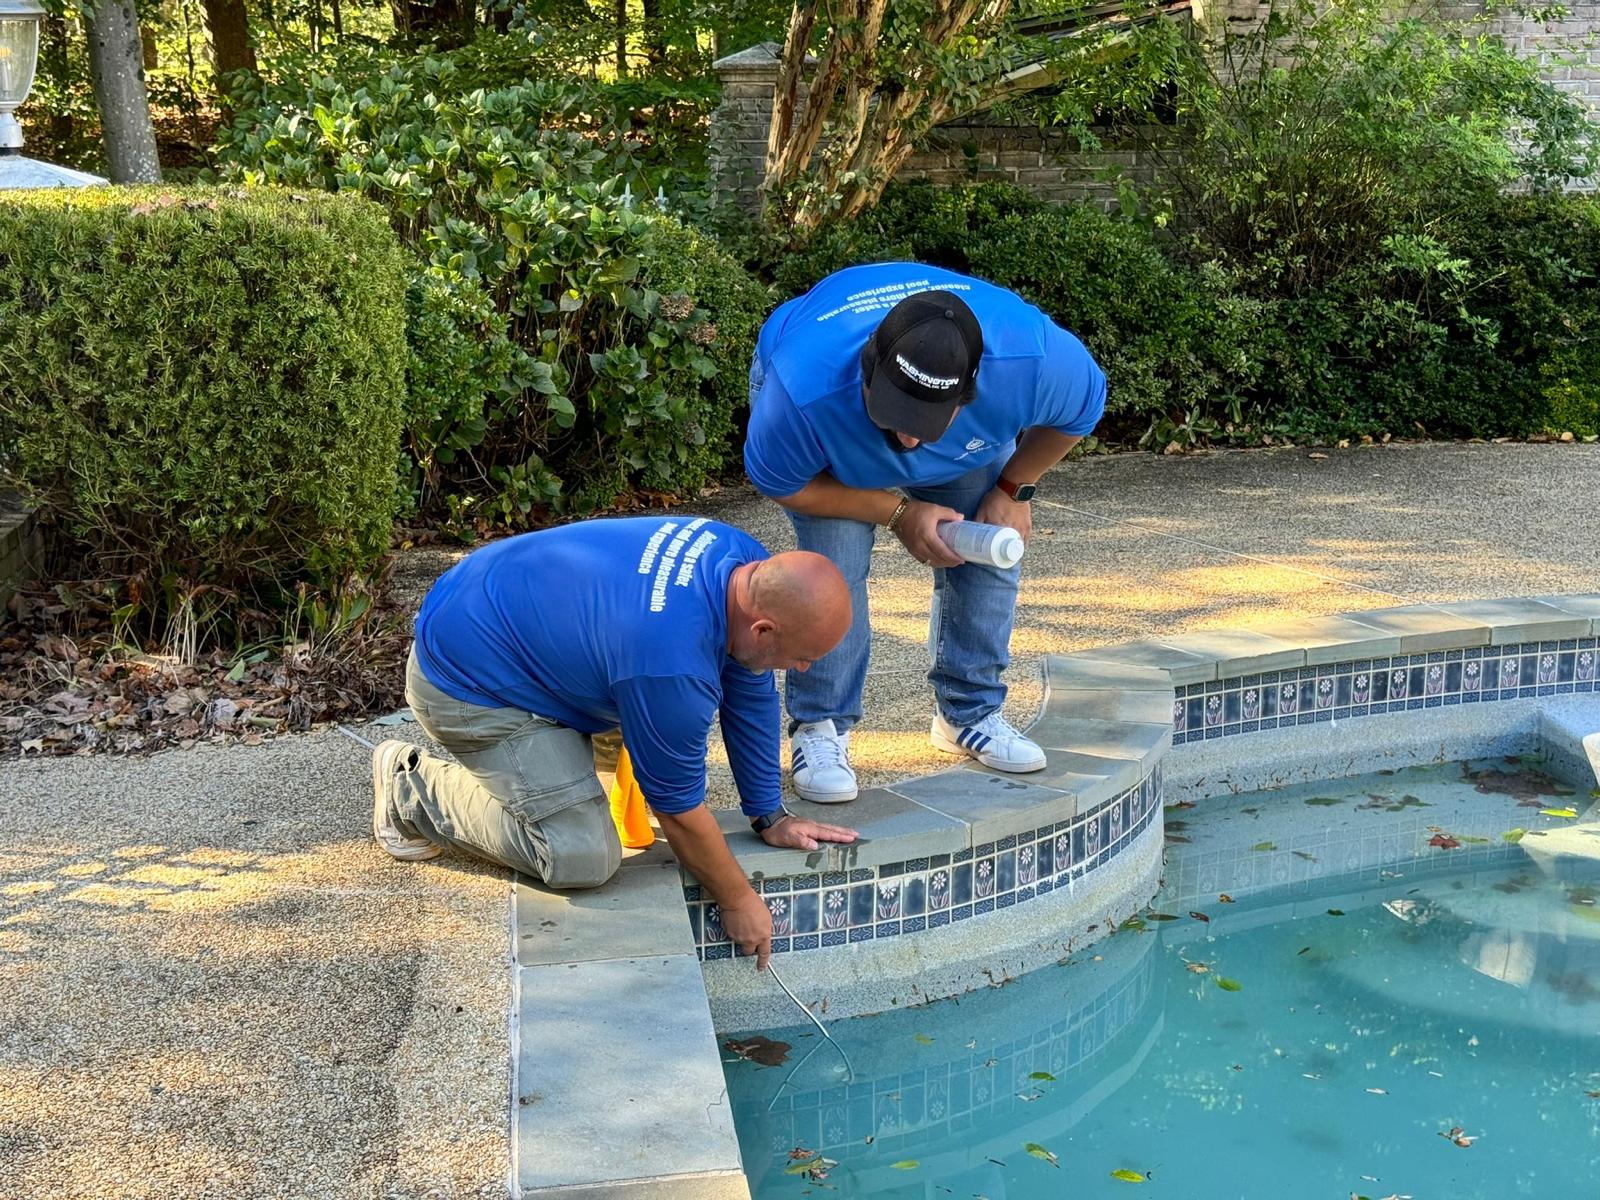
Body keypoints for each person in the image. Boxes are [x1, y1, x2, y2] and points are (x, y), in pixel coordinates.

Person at [371, 515, 858, 968]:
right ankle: (409, 790)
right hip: (468, 687)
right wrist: (737, 899)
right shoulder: (670, 663)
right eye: (802, 656)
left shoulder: (742, 561)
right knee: (581, 855)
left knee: (658, 710)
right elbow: (678, 812)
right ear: (764, 628)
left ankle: (562, 757)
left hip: (499, 614)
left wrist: (768, 813)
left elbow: (749, 687)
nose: (803, 670)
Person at [744, 263, 1106, 803]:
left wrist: (1013, 488)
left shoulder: (1033, 362)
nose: (909, 441)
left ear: (971, 393)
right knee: (831, 572)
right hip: (835, 444)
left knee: (991, 549)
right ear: (867, 372)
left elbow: (1081, 413)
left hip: (968, 446)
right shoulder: (801, 389)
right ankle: (822, 728)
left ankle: (970, 713)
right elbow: (785, 483)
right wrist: (897, 513)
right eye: (894, 414)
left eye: (928, 420)